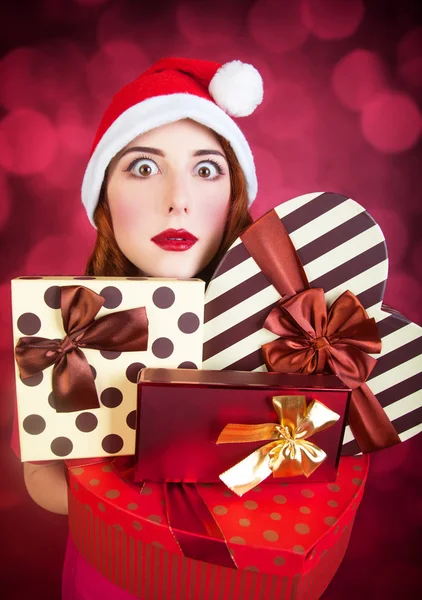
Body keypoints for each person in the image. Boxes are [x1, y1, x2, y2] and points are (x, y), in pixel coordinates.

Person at [18, 56, 264, 599]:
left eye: (206, 169)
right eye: (145, 167)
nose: (177, 199)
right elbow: (41, 477)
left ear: (234, 195)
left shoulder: (273, 329)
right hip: (111, 576)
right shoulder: (69, 328)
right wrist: (125, 491)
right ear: (104, 195)